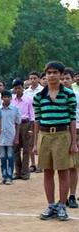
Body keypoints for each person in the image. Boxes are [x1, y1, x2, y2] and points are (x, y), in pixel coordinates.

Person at [33, 61, 77, 221]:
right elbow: (37, 120)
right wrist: (35, 143)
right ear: (45, 75)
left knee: (63, 171)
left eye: (55, 72)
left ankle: (62, 206)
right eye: (48, 73)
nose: (51, 75)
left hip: (62, 135)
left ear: (60, 74)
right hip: (44, 135)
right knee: (47, 171)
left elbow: (72, 119)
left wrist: (73, 142)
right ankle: (51, 205)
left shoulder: (68, 95)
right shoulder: (39, 96)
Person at [61, 67, 79, 208]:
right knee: (62, 167)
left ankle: (72, 195)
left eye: (67, 78)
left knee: (74, 165)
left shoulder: (76, 95)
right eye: (62, 78)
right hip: (61, 132)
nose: (64, 81)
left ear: (73, 80)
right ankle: (63, 197)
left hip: (76, 131)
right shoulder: (56, 96)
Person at [11, 79, 35, 180]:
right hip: (15, 125)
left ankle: (25, 172)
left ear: (23, 88)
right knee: (15, 149)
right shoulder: (12, 100)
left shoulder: (28, 99)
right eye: (16, 88)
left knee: (26, 149)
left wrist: (31, 129)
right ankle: (18, 172)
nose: (18, 90)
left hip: (26, 124)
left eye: (19, 88)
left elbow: (32, 115)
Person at [0, 90, 21, 185]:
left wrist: (16, 137)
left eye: (8, 97)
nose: (6, 98)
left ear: (11, 98)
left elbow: (18, 124)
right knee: (2, 157)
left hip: (11, 136)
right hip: (0, 137)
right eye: (4, 97)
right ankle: (4, 176)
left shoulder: (15, 109)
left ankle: (10, 176)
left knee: (10, 157)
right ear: (2, 98)